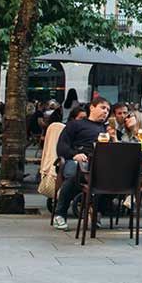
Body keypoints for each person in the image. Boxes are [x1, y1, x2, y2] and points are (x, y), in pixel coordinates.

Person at [52, 97, 112, 231]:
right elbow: (61, 147)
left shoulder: (106, 129)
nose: (106, 112)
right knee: (75, 174)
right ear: (92, 107)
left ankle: (96, 212)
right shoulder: (76, 125)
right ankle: (60, 214)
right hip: (76, 160)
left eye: (108, 110)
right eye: (103, 108)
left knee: (113, 177)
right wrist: (74, 154)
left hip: (98, 164)